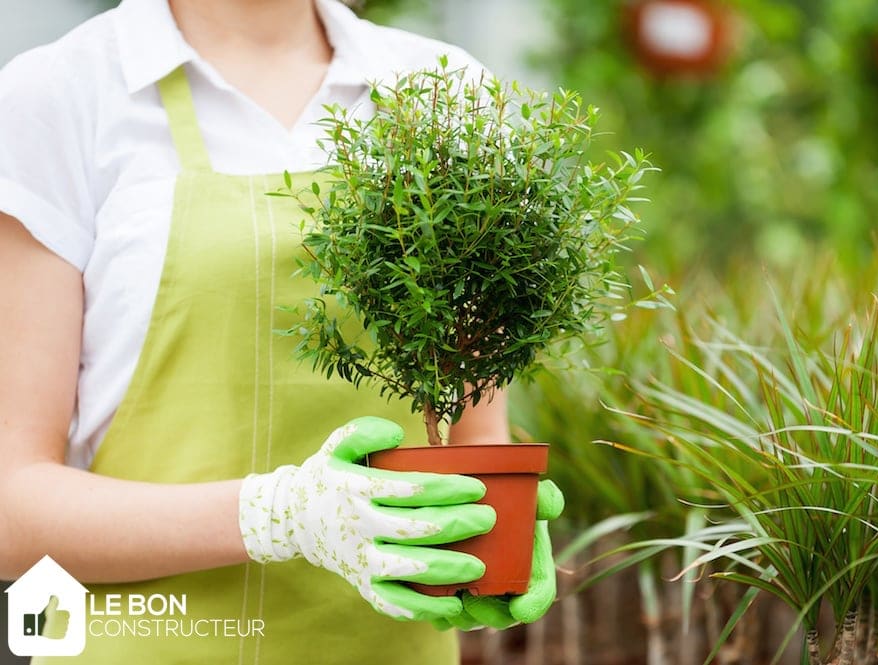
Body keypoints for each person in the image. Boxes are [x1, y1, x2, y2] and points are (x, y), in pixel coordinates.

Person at [0, 0, 562, 662]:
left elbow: (473, 437)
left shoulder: (445, 91)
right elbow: (13, 504)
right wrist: (278, 513)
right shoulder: (64, 95)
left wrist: (493, 536)